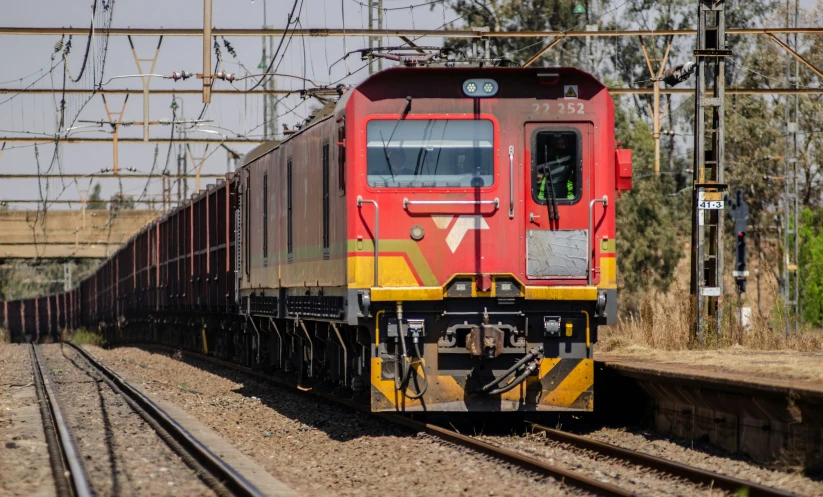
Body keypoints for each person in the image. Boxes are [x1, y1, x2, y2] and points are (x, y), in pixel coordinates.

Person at [536, 135, 575, 201]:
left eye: (562, 144)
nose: (560, 146)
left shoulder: (572, 160)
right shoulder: (549, 160)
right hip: (548, 195)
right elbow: (543, 179)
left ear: (566, 145)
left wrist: (571, 199)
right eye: (558, 144)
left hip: (566, 196)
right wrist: (540, 197)